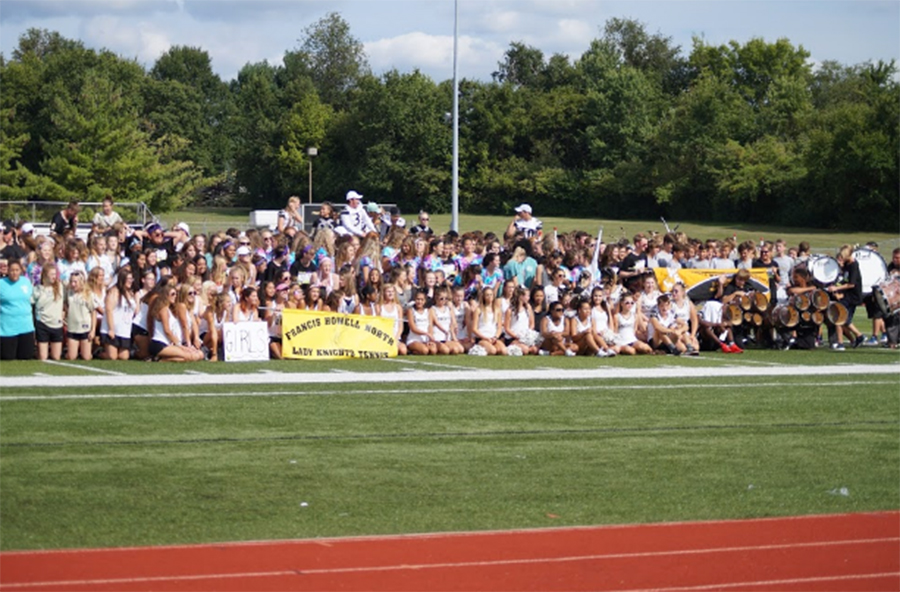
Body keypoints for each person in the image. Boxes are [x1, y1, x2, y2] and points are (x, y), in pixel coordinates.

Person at [147, 284, 204, 362]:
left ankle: (160, 359)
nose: (175, 296)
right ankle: (158, 359)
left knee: (199, 355)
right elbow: (167, 331)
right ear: (166, 296)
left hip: (169, 343)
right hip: (159, 344)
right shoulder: (163, 309)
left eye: (176, 294)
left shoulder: (169, 309)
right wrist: (180, 345)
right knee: (191, 356)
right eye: (172, 294)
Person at [827, 245, 865, 350]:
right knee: (841, 318)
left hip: (853, 296)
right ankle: (858, 337)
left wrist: (836, 288)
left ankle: (843, 342)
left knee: (839, 317)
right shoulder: (847, 265)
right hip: (847, 295)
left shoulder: (853, 266)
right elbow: (844, 280)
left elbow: (851, 284)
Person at [0, 260, 35, 360]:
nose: (14, 272)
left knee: (26, 357)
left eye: (17, 270)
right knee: (7, 357)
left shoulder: (26, 282)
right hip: (7, 327)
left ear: (20, 271)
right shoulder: (1, 284)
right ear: (7, 271)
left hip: (25, 325)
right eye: (12, 270)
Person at [100, 268, 137, 360]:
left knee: (123, 357)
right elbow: (108, 310)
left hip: (124, 329)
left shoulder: (130, 293)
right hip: (113, 328)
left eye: (131, 279)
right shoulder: (114, 291)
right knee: (112, 357)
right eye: (128, 279)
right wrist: (111, 329)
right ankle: (99, 352)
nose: (130, 281)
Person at [32, 264, 65, 361]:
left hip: (56, 324)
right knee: (43, 357)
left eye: (55, 274)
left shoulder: (60, 287)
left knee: (56, 357)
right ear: (45, 275)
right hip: (42, 323)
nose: (54, 277)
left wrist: (64, 313)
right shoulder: (38, 289)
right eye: (51, 274)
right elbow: (31, 302)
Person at [64, 270, 96, 360]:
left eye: (75, 282)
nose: (73, 284)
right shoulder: (69, 293)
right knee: (71, 357)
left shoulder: (88, 294)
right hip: (73, 328)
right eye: (71, 281)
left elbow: (93, 312)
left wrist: (92, 330)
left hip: (85, 327)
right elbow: (65, 304)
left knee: (86, 357)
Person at [406, 289, 437, 355]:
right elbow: (413, 328)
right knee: (424, 351)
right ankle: (411, 350)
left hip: (425, 339)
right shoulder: (411, 311)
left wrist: (430, 338)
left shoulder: (428, 311)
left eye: (422, 300)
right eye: (418, 299)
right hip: (414, 339)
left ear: (425, 301)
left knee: (433, 351)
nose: (419, 301)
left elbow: (430, 325)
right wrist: (426, 334)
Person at [379, 283, 407, 356]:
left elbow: (400, 327)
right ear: (384, 293)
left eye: (392, 291)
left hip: (395, 336)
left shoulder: (398, 307)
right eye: (388, 291)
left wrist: (395, 339)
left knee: (403, 350)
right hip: (383, 336)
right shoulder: (379, 307)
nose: (390, 293)